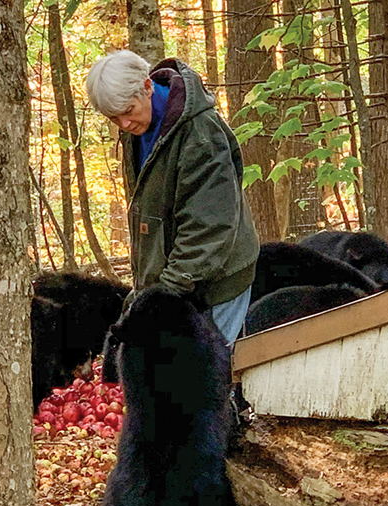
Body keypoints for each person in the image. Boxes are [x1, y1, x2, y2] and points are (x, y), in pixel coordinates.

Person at [86, 50, 259, 347]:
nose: (124, 124)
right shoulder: (139, 127)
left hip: (216, 281)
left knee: (213, 372)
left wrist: (164, 293)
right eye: (114, 118)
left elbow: (208, 227)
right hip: (178, 281)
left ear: (147, 86)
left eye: (128, 111)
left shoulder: (199, 134)